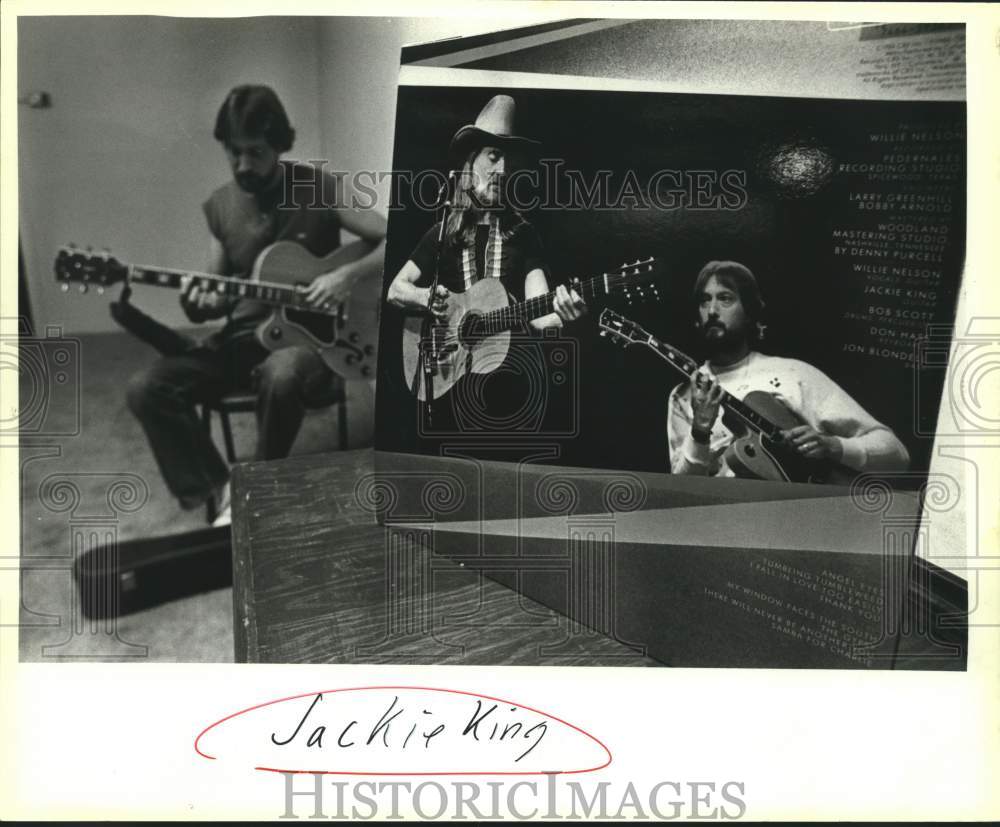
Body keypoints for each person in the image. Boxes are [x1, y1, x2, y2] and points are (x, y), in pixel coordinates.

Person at [126, 85, 386, 526]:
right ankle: (221, 489)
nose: (243, 165)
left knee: (281, 374)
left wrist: (344, 277)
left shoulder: (319, 187)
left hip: (311, 343)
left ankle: (259, 483)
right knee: (146, 388)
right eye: (234, 153)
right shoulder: (220, 206)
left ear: (281, 145)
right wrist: (199, 304)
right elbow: (215, 297)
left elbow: (394, 237)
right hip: (242, 339)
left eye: (256, 152)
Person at [386, 94, 584, 434]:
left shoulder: (524, 236)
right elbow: (394, 290)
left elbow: (540, 312)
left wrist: (563, 315)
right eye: (494, 156)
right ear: (470, 160)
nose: (502, 170)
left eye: (509, 160)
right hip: (447, 377)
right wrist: (424, 299)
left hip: (505, 389)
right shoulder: (441, 232)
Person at [666, 260, 910, 479]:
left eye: (725, 298)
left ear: (750, 312)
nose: (712, 310)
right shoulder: (684, 395)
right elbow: (684, 488)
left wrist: (833, 446)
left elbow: (896, 454)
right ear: (696, 317)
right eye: (704, 300)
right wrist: (699, 430)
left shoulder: (792, 373)